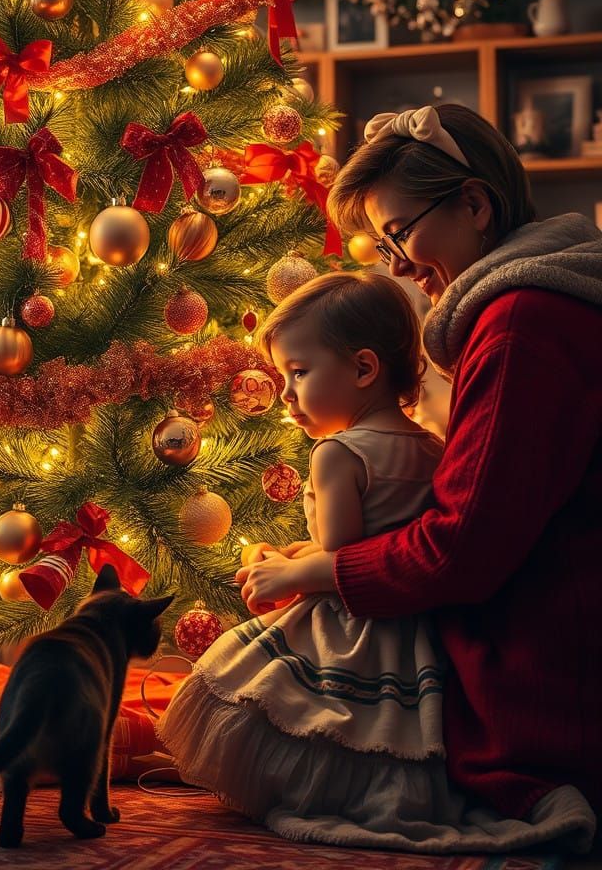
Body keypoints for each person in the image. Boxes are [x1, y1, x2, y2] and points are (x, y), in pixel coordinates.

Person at [223, 104, 601, 852]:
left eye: (400, 233)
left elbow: (460, 549)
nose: (395, 264)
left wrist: (321, 569)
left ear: (474, 203)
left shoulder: (521, 323)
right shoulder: (548, 301)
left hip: (551, 664)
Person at [160, 270, 455, 838]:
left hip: (352, 625)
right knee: (383, 724)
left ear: (364, 368)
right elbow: (384, 536)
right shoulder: (432, 445)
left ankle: (303, 788)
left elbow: (344, 558)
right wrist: (300, 553)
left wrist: (286, 574)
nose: (287, 394)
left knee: (271, 692)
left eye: (299, 373)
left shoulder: (336, 452)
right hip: (412, 629)